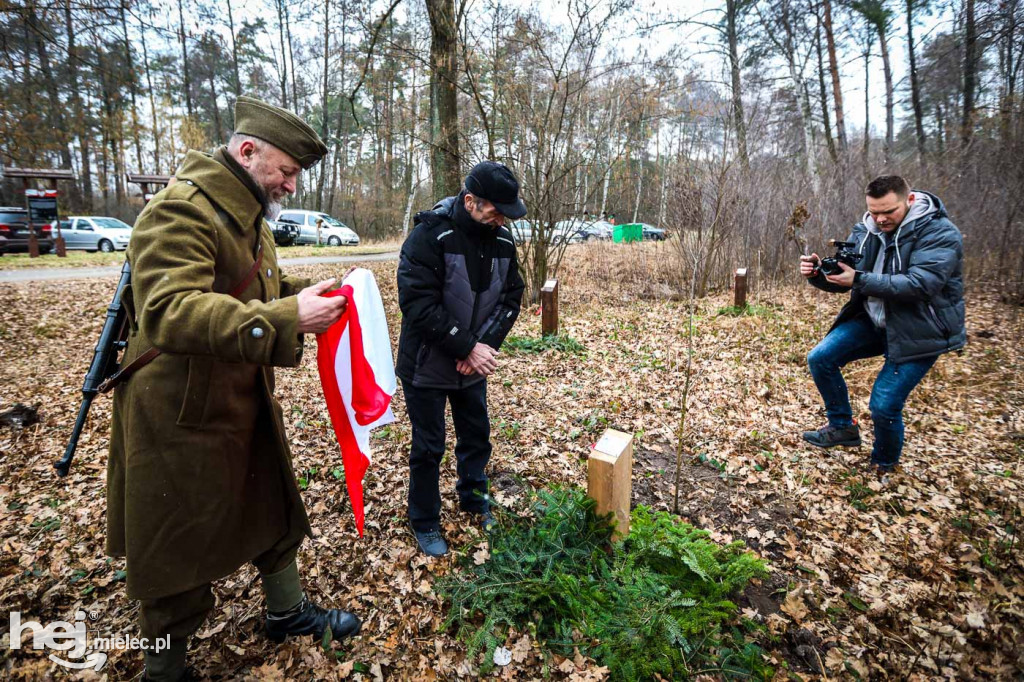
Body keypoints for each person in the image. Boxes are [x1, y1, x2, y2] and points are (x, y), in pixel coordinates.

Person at [107, 96, 360, 681]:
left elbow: (250, 290)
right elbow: (170, 311)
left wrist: (309, 293)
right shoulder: (181, 210)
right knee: (177, 545)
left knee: (271, 508)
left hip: (238, 395)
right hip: (181, 413)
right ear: (248, 151)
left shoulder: (247, 212)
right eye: (287, 171)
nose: (292, 186)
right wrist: (287, 318)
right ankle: (164, 671)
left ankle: (287, 612)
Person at [396, 161, 527, 557]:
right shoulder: (429, 236)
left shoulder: (503, 242)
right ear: (471, 201)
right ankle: (424, 519)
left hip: (473, 366)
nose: (502, 220)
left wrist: (481, 348)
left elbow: (510, 299)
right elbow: (417, 303)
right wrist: (465, 345)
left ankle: (473, 498)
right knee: (428, 445)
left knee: (476, 435)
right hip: (425, 365)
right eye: (496, 210)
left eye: (507, 212)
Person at [799, 175, 965, 480]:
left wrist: (859, 279)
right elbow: (848, 278)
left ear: (910, 200)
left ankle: (884, 463)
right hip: (873, 321)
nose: (880, 218)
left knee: (884, 405)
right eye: (874, 211)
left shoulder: (940, 233)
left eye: (888, 211)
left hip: (920, 330)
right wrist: (819, 274)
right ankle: (842, 427)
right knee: (821, 358)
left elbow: (921, 284)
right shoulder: (866, 229)